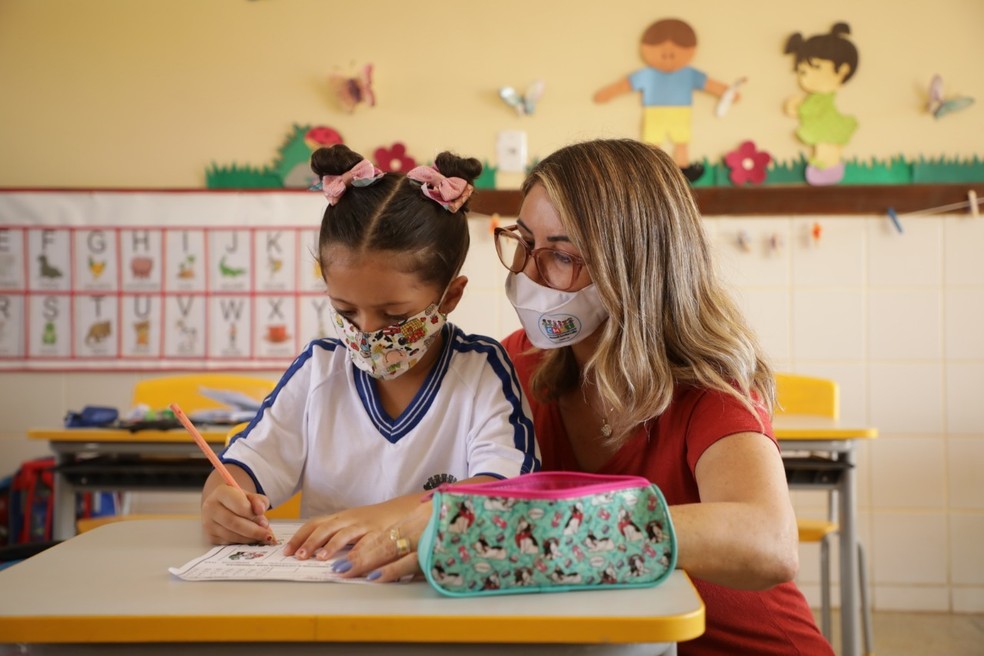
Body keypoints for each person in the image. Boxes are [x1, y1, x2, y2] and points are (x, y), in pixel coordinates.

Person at [338, 139, 833, 655]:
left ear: (635, 268)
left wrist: (519, 525)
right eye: (523, 242)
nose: (527, 273)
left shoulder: (710, 387)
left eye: (563, 256)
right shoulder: (514, 365)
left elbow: (768, 543)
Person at [201, 144, 540, 559]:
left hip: (437, 596)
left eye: (395, 315)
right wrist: (222, 498)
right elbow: (248, 464)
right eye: (345, 310)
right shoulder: (319, 370)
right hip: (325, 596)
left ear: (450, 297)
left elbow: (510, 491)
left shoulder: (482, 371)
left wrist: (392, 516)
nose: (367, 332)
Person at [593, 18, 733, 182]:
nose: (668, 56)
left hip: (681, 111)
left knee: (681, 140)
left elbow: (710, 84)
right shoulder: (646, 74)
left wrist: (728, 93)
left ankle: (683, 168)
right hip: (655, 112)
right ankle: (652, 168)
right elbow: (625, 85)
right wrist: (606, 94)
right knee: (653, 140)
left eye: (674, 52)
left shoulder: (689, 73)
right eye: (663, 52)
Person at [783, 22, 859, 186]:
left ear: (843, 70)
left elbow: (809, 109)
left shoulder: (822, 98)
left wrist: (798, 107)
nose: (806, 77)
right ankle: (826, 167)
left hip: (827, 125)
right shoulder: (817, 98)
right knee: (825, 146)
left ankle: (828, 169)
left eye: (815, 68)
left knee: (828, 146)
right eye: (803, 71)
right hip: (822, 125)